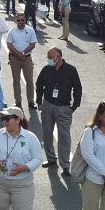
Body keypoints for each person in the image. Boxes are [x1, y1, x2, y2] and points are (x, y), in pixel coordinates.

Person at [36, 46, 82, 175]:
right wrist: (39, 102)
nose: (48, 60)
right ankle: (51, 158)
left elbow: (77, 88)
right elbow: (39, 85)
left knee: (64, 137)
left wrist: (74, 106)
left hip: (63, 108)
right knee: (47, 133)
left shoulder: (71, 70)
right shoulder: (46, 70)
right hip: (48, 105)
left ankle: (65, 164)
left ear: (58, 57)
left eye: (50, 57)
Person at [6, 13, 38, 109]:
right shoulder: (12, 31)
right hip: (14, 58)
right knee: (16, 80)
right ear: (16, 20)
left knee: (29, 80)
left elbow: (33, 44)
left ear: (25, 20)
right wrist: (18, 54)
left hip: (27, 58)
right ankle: (18, 101)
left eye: (22, 20)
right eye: (18, 20)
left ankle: (31, 101)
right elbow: (9, 45)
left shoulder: (30, 30)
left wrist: (23, 53)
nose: (20, 22)